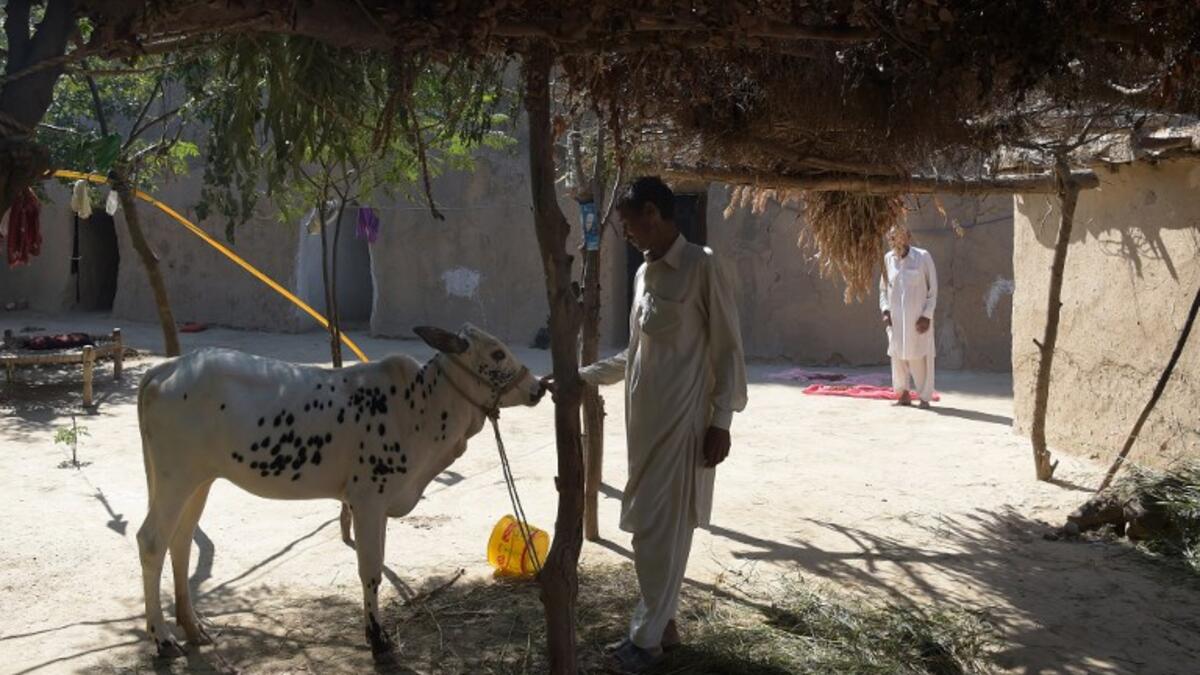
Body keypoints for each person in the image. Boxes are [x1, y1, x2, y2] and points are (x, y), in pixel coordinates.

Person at [545, 176, 747, 673]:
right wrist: (580, 378)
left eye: (630, 223)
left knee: (662, 532)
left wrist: (720, 421)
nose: (628, 234)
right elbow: (634, 355)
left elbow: (729, 350)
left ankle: (646, 641)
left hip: (684, 429)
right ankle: (666, 623)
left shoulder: (702, 266)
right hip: (643, 432)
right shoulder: (643, 277)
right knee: (646, 531)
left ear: (654, 214)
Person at [879, 224, 938, 408]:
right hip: (896, 321)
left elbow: (933, 290)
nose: (894, 241)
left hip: (918, 320)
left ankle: (924, 397)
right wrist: (885, 310)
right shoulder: (888, 259)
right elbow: (882, 290)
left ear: (908, 237)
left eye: (898, 237)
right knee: (897, 356)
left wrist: (927, 315)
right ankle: (902, 394)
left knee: (919, 357)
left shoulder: (922, 257)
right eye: (891, 237)